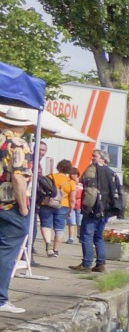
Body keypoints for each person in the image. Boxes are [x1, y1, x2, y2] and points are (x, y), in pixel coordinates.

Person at [0, 125, 32, 313]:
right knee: (7, 252)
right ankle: (1, 298)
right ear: (24, 125)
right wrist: (23, 206)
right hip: (9, 204)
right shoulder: (19, 144)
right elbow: (18, 178)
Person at [78, 154, 123, 273]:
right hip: (107, 209)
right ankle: (101, 264)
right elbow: (118, 191)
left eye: (95, 156)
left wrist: (86, 207)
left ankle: (86, 263)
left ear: (103, 159)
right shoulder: (113, 173)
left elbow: (90, 191)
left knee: (86, 235)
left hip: (94, 207)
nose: (92, 158)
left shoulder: (94, 170)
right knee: (98, 236)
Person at [34, 156, 70, 257]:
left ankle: (48, 245)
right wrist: (71, 209)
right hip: (63, 205)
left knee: (46, 225)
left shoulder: (50, 176)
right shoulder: (70, 182)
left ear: (58, 167)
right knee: (59, 229)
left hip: (47, 203)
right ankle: (56, 250)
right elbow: (73, 198)